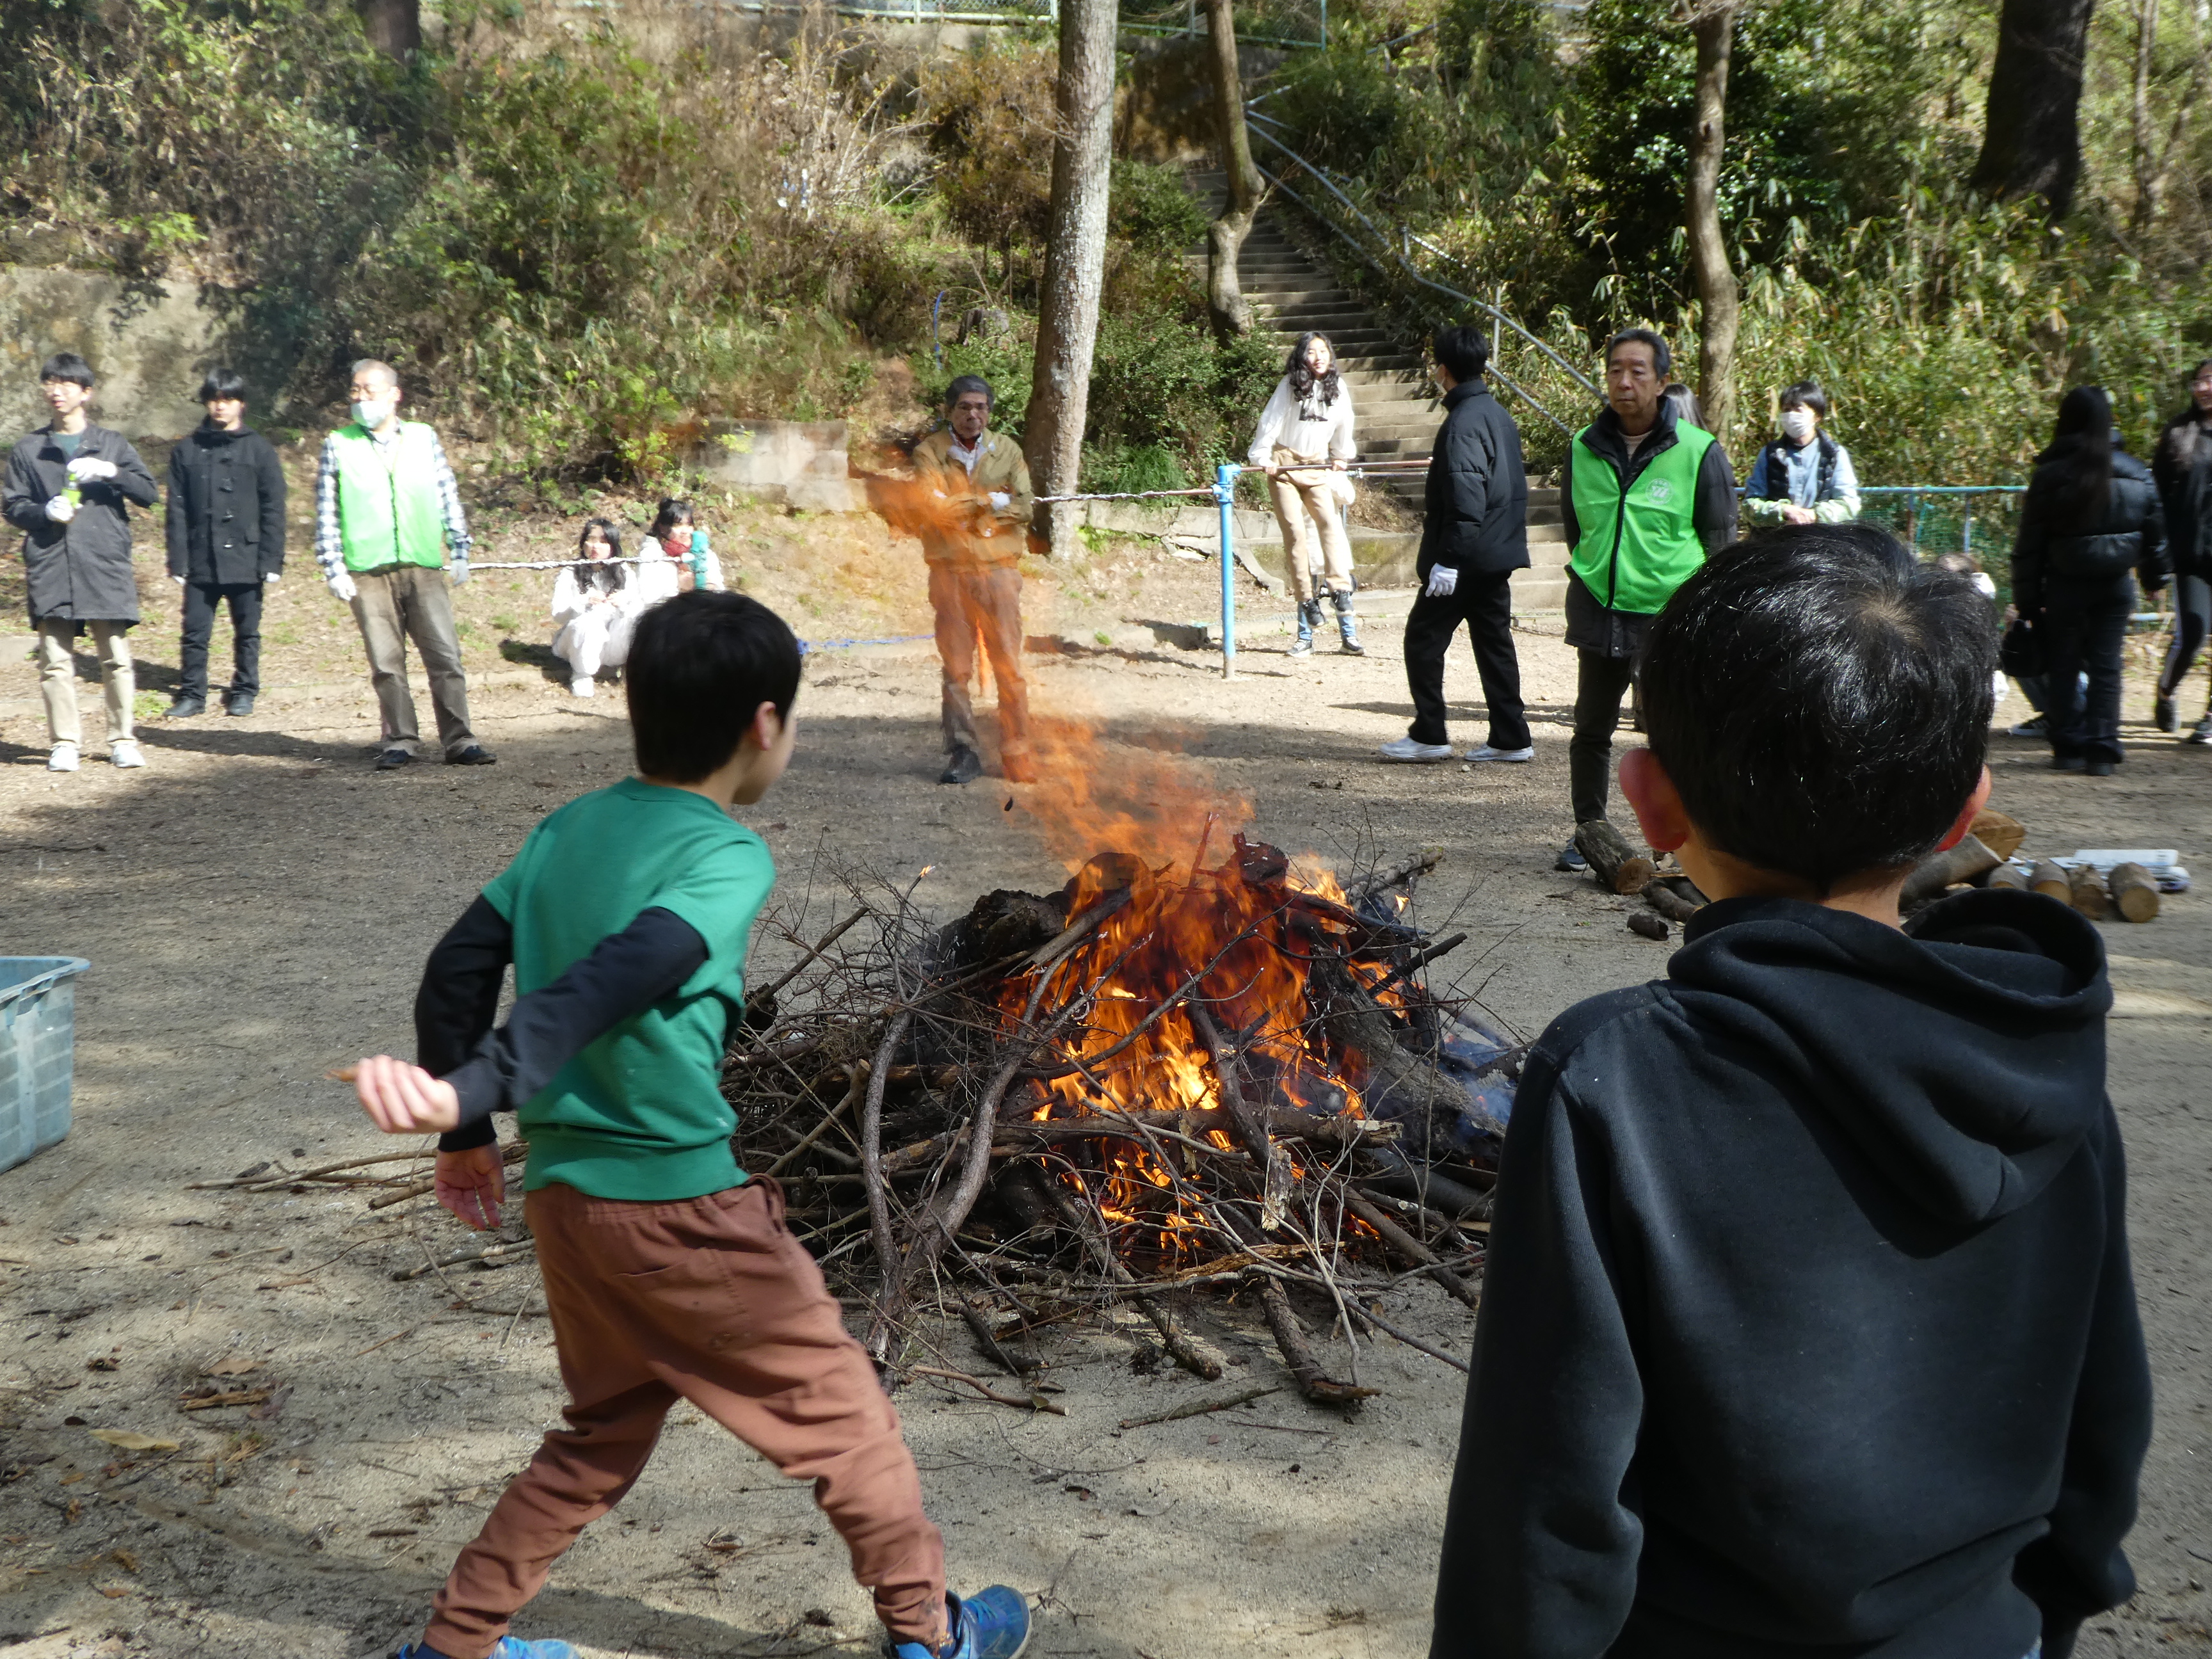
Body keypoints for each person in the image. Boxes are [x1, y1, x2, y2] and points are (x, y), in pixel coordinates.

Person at [1431, 524, 2151, 1659]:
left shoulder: (1615, 1079)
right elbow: (2103, 1430)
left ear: (1648, 803)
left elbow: (1547, 1505)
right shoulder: (2043, 1056)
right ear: (1968, 810)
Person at [345, 590, 1032, 1659]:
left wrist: (465, 1129)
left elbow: (458, 967)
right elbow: (629, 972)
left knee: (601, 1431)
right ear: (766, 725)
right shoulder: (726, 852)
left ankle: (451, 1648)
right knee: (851, 1424)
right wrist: (472, 1091)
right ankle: (934, 1634)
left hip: (571, 1203)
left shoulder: (570, 826)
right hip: (680, 1207)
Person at [1556, 328, 1736, 870]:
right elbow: (1576, 528)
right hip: (1599, 607)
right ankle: (1590, 830)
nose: (1624, 381)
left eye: (1638, 371)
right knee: (1591, 727)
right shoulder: (1582, 447)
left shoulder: (1698, 452)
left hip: (1669, 618)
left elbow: (1720, 544)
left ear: (1661, 382)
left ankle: (1678, 838)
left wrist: (1704, 616)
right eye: (1615, 370)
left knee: (1670, 734)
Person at [315, 358, 495, 771]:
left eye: (369, 390)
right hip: (367, 569)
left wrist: (460, 548)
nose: (360, 398)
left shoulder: (423, 437)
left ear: (395, 395)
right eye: (355, 391)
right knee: (385, 662)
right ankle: (400, 739)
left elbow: (447, 492)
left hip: (422, 564)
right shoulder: (338, 443)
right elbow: (327, 510)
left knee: (445, 656)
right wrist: (333, 566)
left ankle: (460, 739)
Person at [2, 351, 161, 772]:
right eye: (50, 383)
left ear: (86, 393)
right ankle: (64, 743)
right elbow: (13, 505)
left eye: (67, 383)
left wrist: (112, 472)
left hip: (103, 559)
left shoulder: (111, 443)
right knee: (55, 659)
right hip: (51, 561)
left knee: (116, 657)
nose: (56, 391)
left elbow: (149, 493)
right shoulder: (30, 449)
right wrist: (43, 512)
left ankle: (122, 738)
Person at [1379, 326, 1531, 764]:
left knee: (1423, 638)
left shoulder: (1462, 424)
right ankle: (1511, 735)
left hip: (1466, 558)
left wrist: (1448, 561)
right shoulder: (1499, 415)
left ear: (1442, 369)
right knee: (1494, 643)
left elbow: (1467, 500)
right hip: (1496, 553)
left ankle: (1430, 732)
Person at [2011, 385, 2167, 777]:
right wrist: (2154, 577)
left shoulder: (2050, 476)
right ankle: (2103, 751)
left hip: (2065, 584)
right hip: (2115, 585)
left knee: (2064, 664)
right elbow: (2155, 533)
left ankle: (2068, 748)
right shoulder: (2137, 473)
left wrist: (2028, 601)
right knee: (2107, 666)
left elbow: (2029, 545)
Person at [911, 375, 1034, 784]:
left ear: (989, 412)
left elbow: (1024, 507)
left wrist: (970, 512)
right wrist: (985, 501)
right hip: (950, 574)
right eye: (964, 407)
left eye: (980, 407)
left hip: (999, 573)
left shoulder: (1008, 450)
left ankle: (1018, 751)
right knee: (956, 669)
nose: (973, 415)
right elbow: (934, 511)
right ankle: (963, 753)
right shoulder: (930, 453)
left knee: (1009, 664)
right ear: (950, 410)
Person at [163, 367, 285, 718]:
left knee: (248, 632)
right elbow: (177, 509)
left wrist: (271, 560)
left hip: (246, 557)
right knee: (194, 632)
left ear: (241, 404)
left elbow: (273, 507)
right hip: (201, 557)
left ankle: (245, 690)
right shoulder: (186, 450)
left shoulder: (260, 449)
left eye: (228, 400)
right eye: (214, 400)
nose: (220, 407)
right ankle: (191, 694)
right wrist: (178, 560)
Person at [1247, 332, 1361, 656]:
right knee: (1296, 533)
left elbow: (1345, 424)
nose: (1318, 357)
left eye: (1323, 351)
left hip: (1316, 466)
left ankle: (1340, 591)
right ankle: (1307, 604)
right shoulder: (1290, 386)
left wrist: (1341, 455)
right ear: (1302, 357)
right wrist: (1263, 458)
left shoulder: (1337, 388)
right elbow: (1269, 421)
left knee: (1330, 525)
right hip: (1284, 466)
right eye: (1311, 352)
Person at [2152, 355, 2212, 741]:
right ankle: (2166, 689)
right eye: (2199, 381)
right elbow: (2154, 500)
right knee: (2194, 632)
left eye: (2210, 380)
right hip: (2191, 557)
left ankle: (2209, 717)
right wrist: (2154, 559)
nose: (2203, 387)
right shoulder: (2179, 433)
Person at [1743, 378, 1861, 526]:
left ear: (1817, 416)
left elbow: (1849, 504)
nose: (1791, 415)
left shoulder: (1834, 454)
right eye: (1786, 410)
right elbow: (1751, 505)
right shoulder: (1770, 454)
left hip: (1823, 541)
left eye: (1798, 410)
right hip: (1778, 541)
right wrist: (1783, 511)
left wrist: (1814, 515)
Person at [549, 517, 639, 698]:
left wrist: (625, 602)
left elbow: (638, 610)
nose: (595, 546)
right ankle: (582, 676)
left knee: (631, 621)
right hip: (575, 640)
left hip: (611, 643)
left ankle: (630, 671)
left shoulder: (624, 571)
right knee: (589, 622)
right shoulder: (570, 572)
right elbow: (558, 614)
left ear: (613, 546)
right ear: (583, 543)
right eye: (591, 540)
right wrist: (584, 601)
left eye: (603, 541)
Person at [643, 497, 725, 597]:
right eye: (678, 525)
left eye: (689, 525)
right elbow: (649, 597)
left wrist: (709, 587)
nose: (685, 531)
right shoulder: (652, 555)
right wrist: (680, 586)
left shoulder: (704, 553)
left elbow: (720, 589)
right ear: (663, 528)